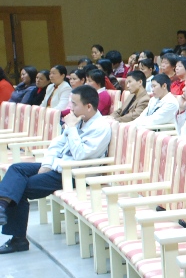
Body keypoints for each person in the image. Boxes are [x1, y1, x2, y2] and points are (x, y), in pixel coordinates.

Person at [0, 86, 112, 254]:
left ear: (88, 106)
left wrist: (71, 128)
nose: (70, 108)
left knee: (19, 188)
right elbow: (57, 145)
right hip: (57, 166)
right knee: (17, 169)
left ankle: (19, 240)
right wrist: (46, 164)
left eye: (74, 104)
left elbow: (80, 155)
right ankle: (1, 205)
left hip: (74, 174)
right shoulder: (79, 120)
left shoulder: (100, 127)